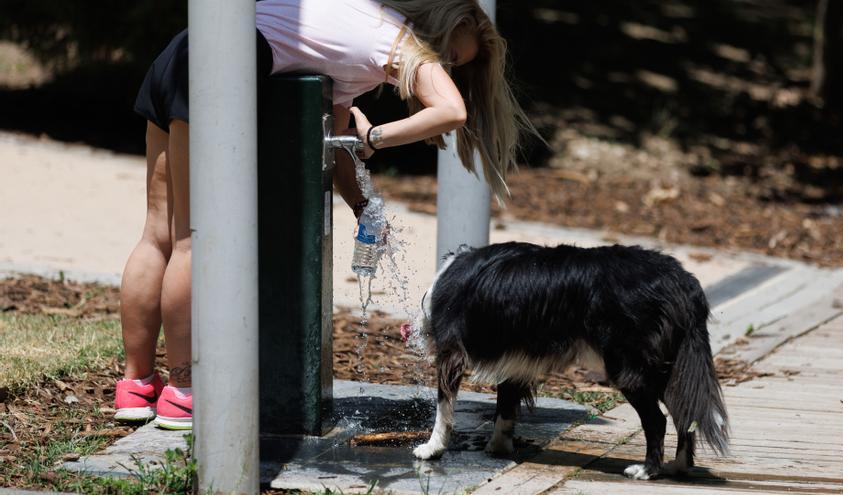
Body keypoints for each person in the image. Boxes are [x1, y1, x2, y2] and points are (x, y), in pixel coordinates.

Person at [113, 0, 535, 430]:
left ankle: (136, 385)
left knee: (157, 236)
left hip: (185, 51)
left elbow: (335, 146)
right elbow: (451, 110)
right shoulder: (397, 41)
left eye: (454, 64)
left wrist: (363, 207)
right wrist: (377, 136)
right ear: (436, 31)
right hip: (220, 65)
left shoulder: (358, 44)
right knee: (189, 240)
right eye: (447, 54)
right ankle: (183, 394)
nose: (443, 67)